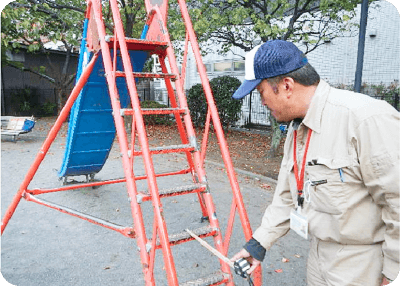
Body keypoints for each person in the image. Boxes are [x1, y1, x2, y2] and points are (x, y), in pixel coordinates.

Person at [230, 40, 400, 286]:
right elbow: (287, 195)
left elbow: (397, 202)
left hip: (363, 264)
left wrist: (393, 272)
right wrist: (259, 244)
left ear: (286, 86)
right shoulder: (297, 127)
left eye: (261, 93)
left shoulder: (365, 119)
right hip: (319, 255)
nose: (263, 103)